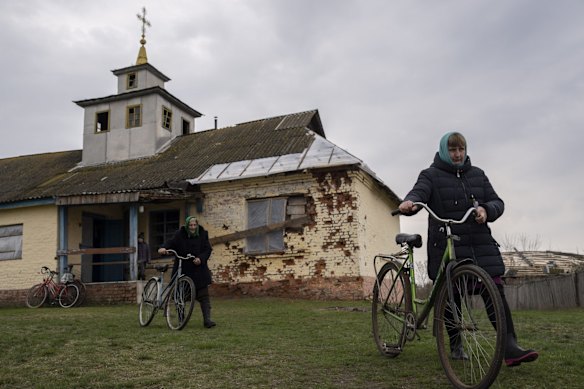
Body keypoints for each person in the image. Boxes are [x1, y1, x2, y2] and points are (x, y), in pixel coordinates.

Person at [398, 131, 538, 367]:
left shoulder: (478, 175)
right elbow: (418, 193)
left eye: (461, 149)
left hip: (481, 245)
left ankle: (510, 346)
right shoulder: (430, 175)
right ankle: (456, 345)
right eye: (452, 150)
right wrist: (410, 203)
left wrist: (486, 209)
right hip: (447, 243)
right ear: (444, 151)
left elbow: (497, 202)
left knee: (495, 292)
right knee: (452, 295)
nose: (457, 154)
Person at [158, 216, 216, 328]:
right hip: (183, 268)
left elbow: (207, 249)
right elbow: (170, 243)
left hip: (199, 270)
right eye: (191, 225)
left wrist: (201, 258)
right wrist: (163, 248)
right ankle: (181, 319)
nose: (193, 227)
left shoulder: (203, 234)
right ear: (187, 225)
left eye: (195, 225)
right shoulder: (180, 234)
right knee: (181, 296)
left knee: (204, 296)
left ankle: (207, 320)